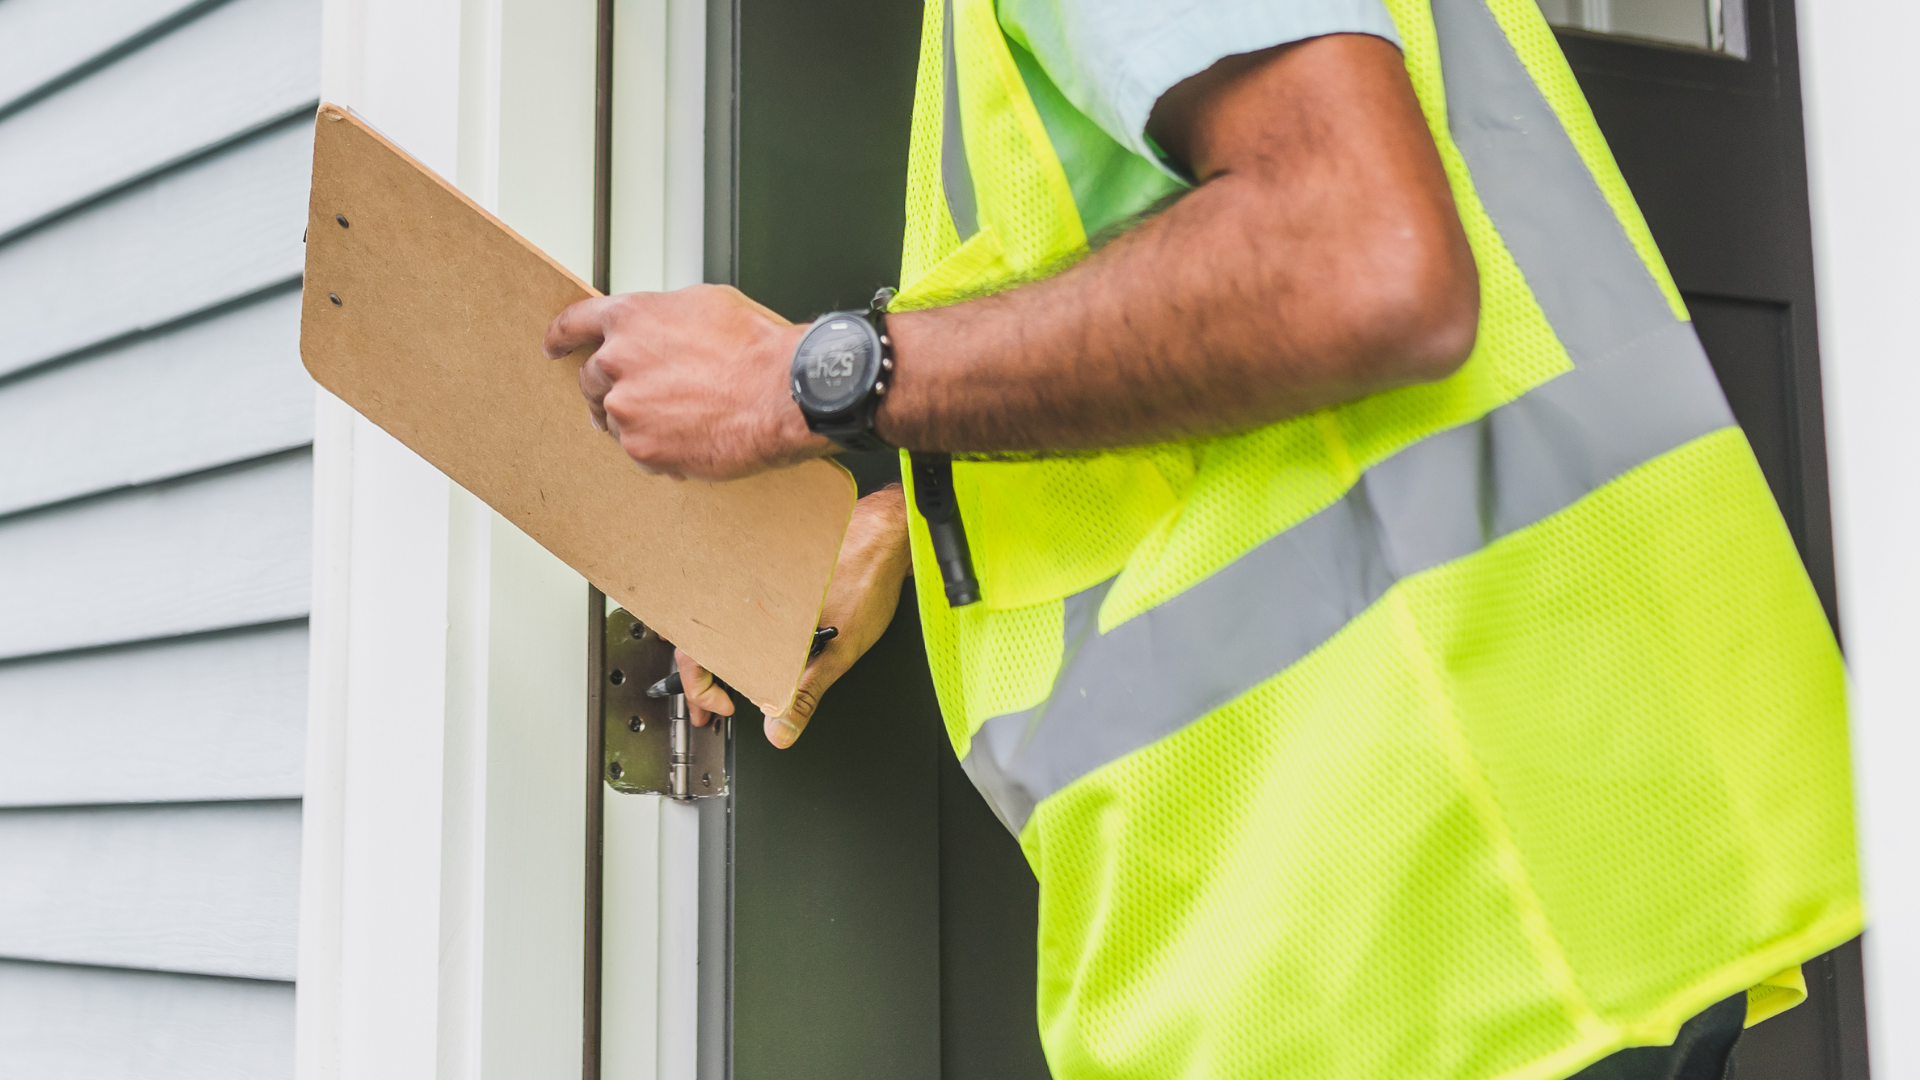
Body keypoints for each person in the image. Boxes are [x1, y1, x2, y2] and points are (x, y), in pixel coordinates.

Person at [546, 1, 1858, 1078]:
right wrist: (900, 515)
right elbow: (1190, 315)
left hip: (1426, 918)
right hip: (1475, 892)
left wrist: (809, 380)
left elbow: (1360, 260)